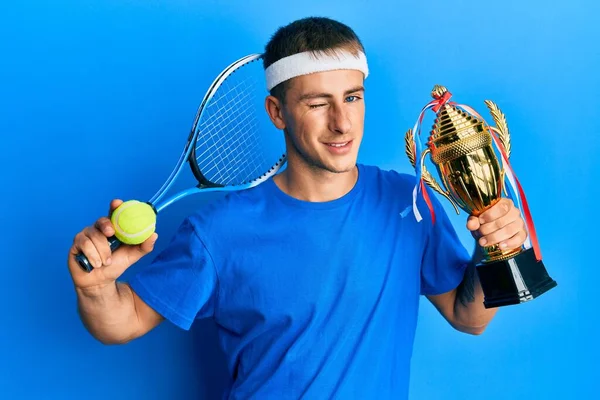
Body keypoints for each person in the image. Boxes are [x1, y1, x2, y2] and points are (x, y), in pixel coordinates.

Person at [68, 16, 528, 399]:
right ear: (277, 112)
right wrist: (95, 289)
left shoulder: (410, 202)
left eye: (352, 97)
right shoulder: (219, 231)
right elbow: (122, 321)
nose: (342, 122)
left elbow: (470, 318)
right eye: (317, 103)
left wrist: (495, 249)